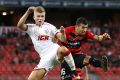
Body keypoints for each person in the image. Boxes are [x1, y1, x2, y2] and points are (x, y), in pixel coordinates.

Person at [17, 6, 80, 80]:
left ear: (44, 17)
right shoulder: (31, 28)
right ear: (34, 17)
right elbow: (19, 26)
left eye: (42, 16)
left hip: (55, 52)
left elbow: (62, 39)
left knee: (63, 49)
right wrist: (28, 12)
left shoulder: (50, 27)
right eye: (38, 16)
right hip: (45, 58)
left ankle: (74, 72)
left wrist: (63, 33)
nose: (40, 18)